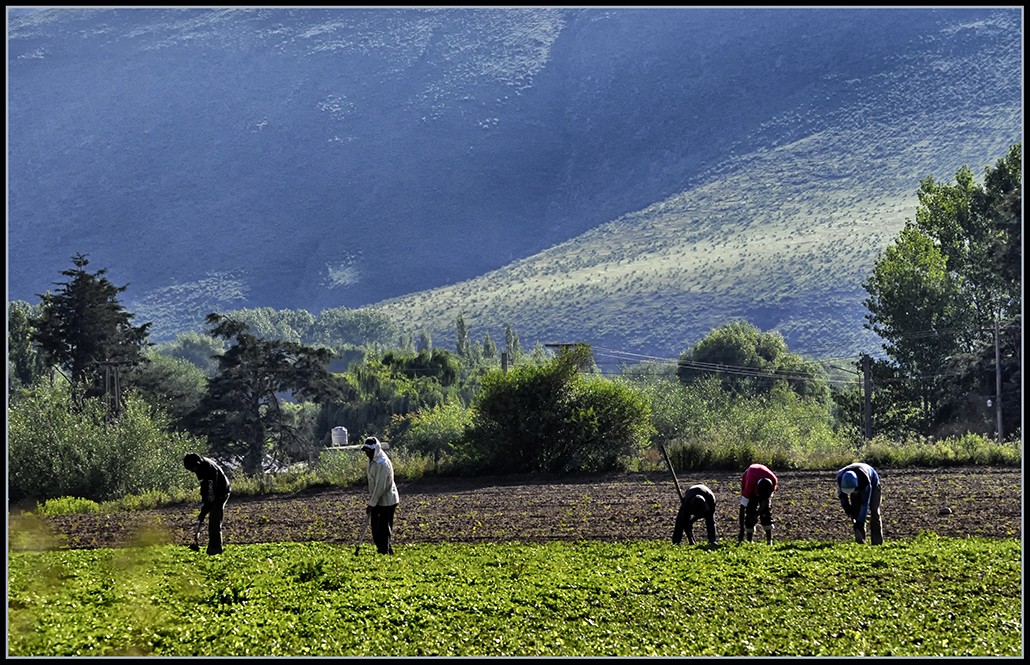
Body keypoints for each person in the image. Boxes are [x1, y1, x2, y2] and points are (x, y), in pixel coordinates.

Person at [183, 453, 231, 555]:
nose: (193, 471)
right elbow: (204, 488)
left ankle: (215, 549)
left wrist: (207, 506)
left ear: (197, 464)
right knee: (210, 515)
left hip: (221, 492)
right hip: (214, 491)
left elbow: (211, 489)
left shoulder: (208, 468)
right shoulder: (200, 467)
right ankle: (213, 548)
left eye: (192, 469)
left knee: (214, 520)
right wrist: (204, 508)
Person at [363, 436, 400, 555]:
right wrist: (373, 501)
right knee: (375, 528)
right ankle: (385, 550)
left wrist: (372, 504)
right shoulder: (372, 461)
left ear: (376, 449)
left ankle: (384, 551)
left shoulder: (383, 464)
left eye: (369, 451)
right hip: (377, 500)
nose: (367, 453)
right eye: (366, 451)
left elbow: (380, 487)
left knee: (383, 528)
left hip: (387, 501)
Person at [836, 462, 883, 545]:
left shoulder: (864, 479)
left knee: (874, 511)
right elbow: (842, 496)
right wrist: (847, 509)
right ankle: (860, 541)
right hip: (856, 483)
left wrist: (859, 523)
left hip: (873, 483)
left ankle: (877, 542)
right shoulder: (840, 477)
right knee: (855, 512)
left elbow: (865, 503)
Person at [737, 463, 778, 544]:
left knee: (766, 512)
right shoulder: (749, 485)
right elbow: (742, 507)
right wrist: (741, 530)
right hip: (750, 477)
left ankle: (769, 542)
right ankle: (749, 541)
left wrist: (757, 515)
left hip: (761, 481)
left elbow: (766, 501)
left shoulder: (773, 480)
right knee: (750, 511)